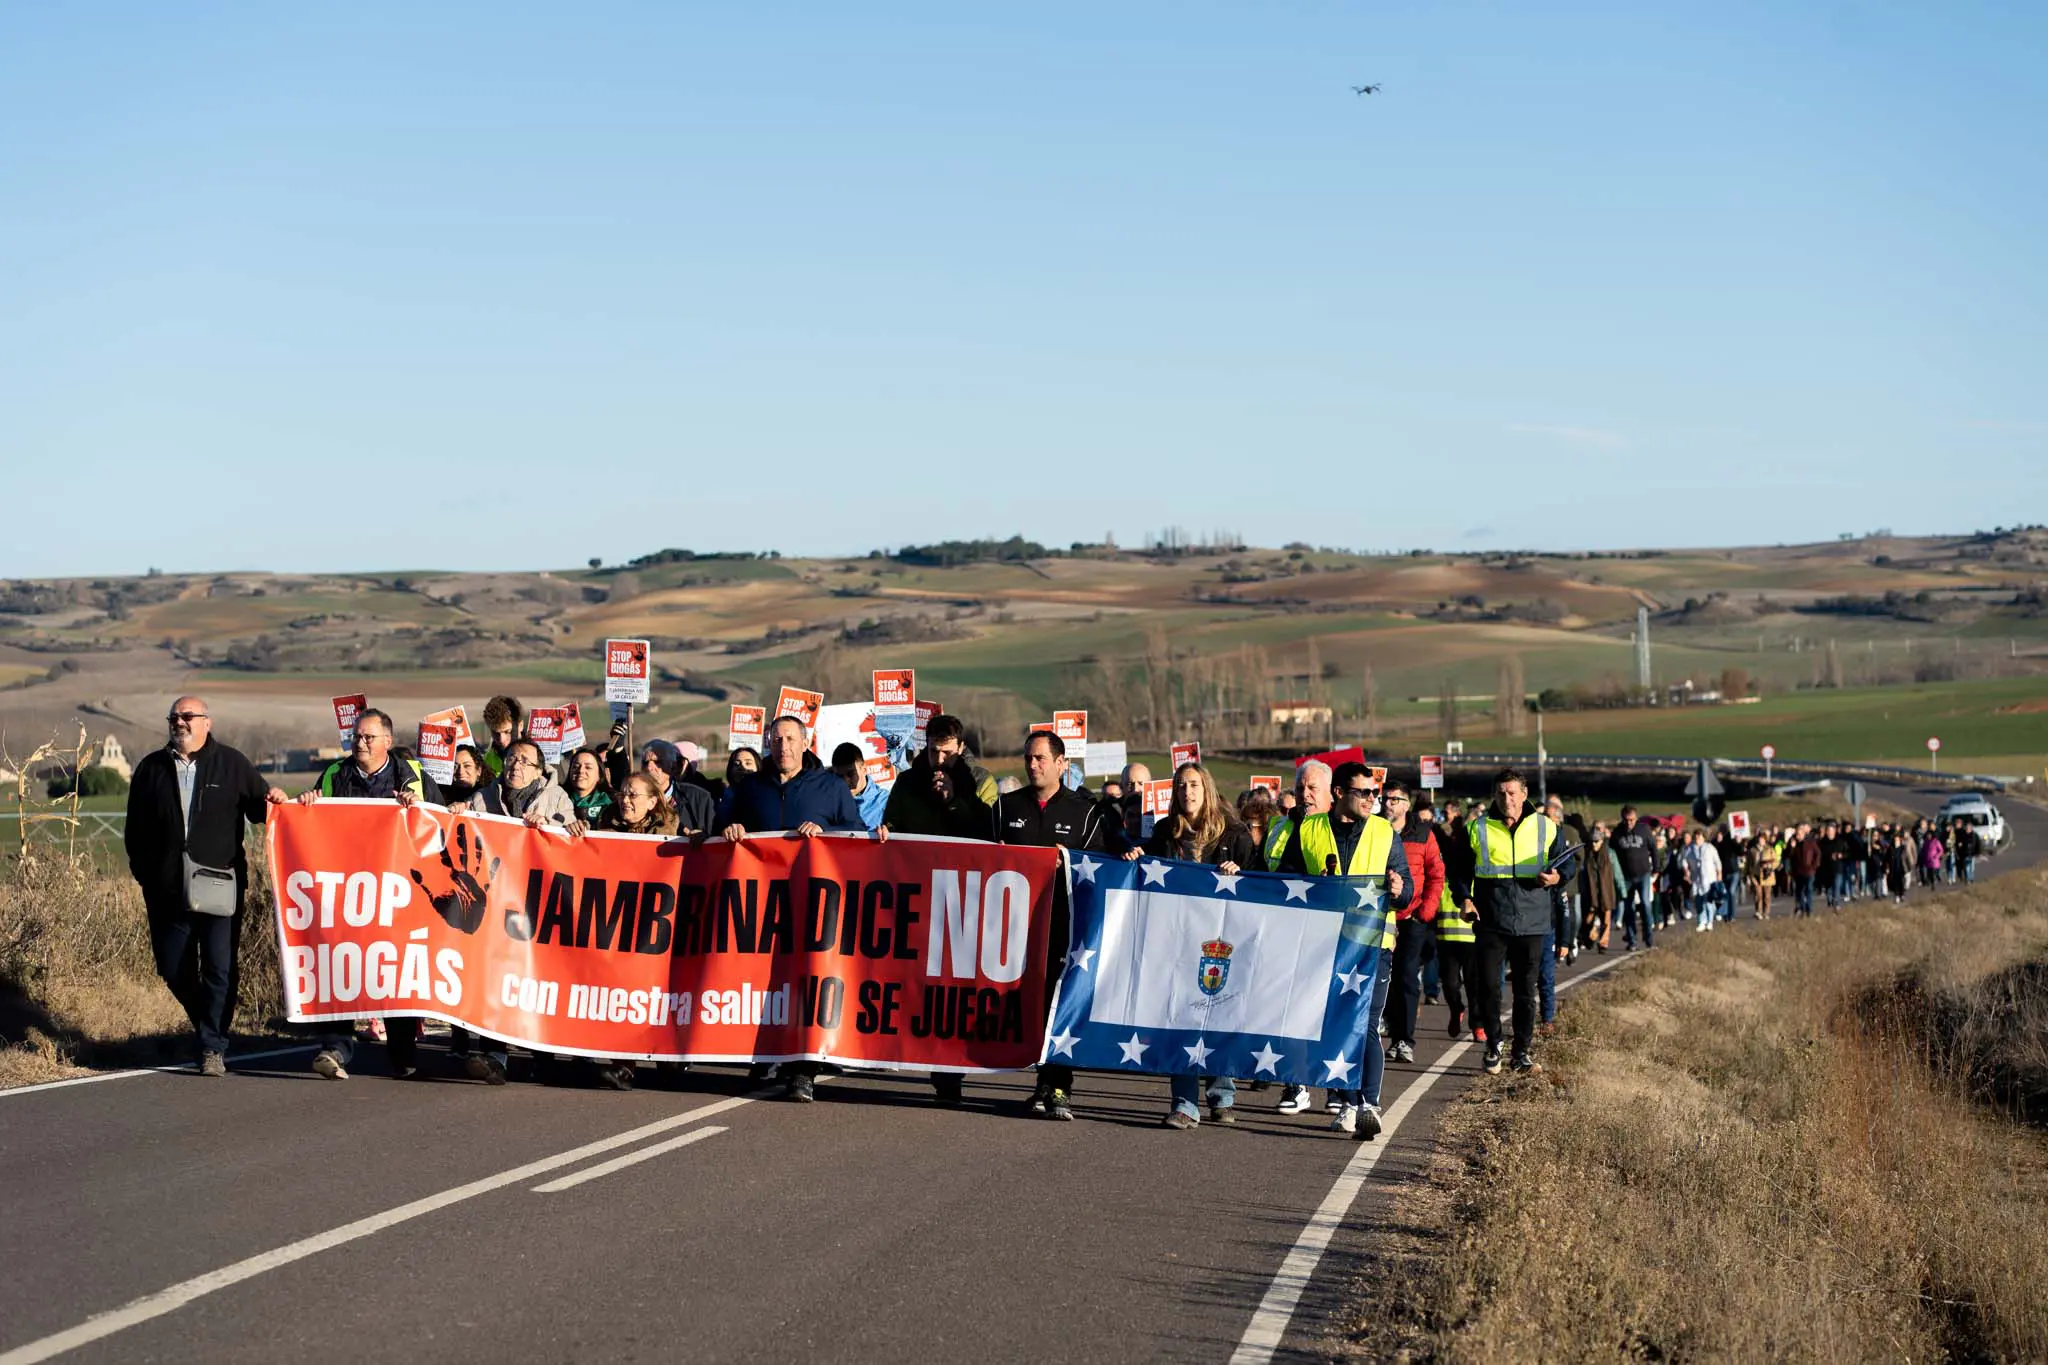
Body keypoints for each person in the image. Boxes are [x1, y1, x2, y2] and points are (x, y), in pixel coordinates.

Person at [124, 696, 285, 1077]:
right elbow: (135, 830)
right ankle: (210, 1024)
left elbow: (261, 810)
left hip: (220, 884)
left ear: (206, 723)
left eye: (188, 716)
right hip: (166, 889)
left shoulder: (232, 764)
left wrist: (276, 799)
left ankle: (212, 1045)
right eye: (174, 717)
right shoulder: (151, 769)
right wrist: (145, 875)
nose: (179, 722)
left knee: (219, 968)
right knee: (172, 967)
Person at [723, 714, 881, 1102]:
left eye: (790, 739)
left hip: (813, 905)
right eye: (776, 740)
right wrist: (729, 831)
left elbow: (856, 833)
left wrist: (826, 835)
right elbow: (720, 826)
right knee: (761, 981)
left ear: (805, 741)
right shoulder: (751, 788)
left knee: (805, 985)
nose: (783, 747)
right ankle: (763, 1055)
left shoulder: (829, 786)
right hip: (762, 905)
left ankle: (802, 1070)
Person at [297, 709, 441, 1079]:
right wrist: (306, 805)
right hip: (346, 889)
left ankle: (403, 1052)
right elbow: (313, 825)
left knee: (395, 970)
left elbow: (441, 826)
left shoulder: (416, 777)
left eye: (368, 737)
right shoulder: (334, 775)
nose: (360, 743)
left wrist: (419, 810)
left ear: (387, 742)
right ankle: (334, 1047)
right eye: (357, 737)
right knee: (338, 963)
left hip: (399, 893)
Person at [1276, 761, 1411, 1138]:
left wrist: (1401, 890)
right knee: (1336, 1024)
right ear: (1340, 794)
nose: (1372, 799)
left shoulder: (1385, 832)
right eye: (1364, 792)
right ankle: (1348, 1102)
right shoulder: (1309, 829)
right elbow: (1286, 880)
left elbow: (1408, 887)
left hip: (1373, 944)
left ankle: (1369, 1103)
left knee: (1366, 1023)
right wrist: (1308, 884)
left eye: (1375, 793)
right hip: (1325, 943)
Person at [993, 730, 1115, 1121]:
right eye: (1028, 757)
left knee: (1058, 1003)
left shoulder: (1084, 811)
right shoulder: (1004, 807)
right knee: (1027, 1005)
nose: (1032, 765)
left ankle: (1058, 1085)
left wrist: (1072, 862)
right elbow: (977, 856)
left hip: (1065, 926)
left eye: (1041, 758)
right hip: (1015, 927)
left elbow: (1100, 866)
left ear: (1061, 764)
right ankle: (1040, 1080)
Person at [1132, 763, 1259, 1129]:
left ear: (1207, 790)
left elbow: (1262, 881)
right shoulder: (1163, 833)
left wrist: (1242, 874)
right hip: (1178, 937)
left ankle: (1222, 1092)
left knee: (1219, 1012)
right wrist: (1136, 859)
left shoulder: (1235, 835)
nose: (1187, 792)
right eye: (1181, 785)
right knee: (1181, 1016)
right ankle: (1184, 1104)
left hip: (1222, 941)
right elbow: (1149, 872)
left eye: (1194, 785)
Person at [1450, 768, 1567, 1077]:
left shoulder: (1547, 827)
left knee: (1526, 991)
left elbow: (1568, 865)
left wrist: (1556, 877)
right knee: (1488, 988)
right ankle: (1494, 1043)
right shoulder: (1477, 829)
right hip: (1491, 921)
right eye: (1501, 793)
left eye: (1512, 793)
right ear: (1494, 795)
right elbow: (1459, 872)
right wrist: (1464, 898)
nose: (1507, 799)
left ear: (1524, 794)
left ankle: (1522, 1051)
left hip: (1533, 921)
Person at [1266, 758, 1334, 1117]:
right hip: (1285, 931)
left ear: (1329, 794)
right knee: (1289, 1011)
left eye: (1313, 788)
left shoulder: (1335, 827)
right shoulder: (1279, 827)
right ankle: (1295, 1083)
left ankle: (1334, 1085)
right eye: (1301, 787)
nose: (1305, 795)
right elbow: (1263, 871)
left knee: (1327, 1011)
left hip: (1327, 934)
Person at [1381, 783, 1444, 1066]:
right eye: (1386, 799)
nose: (1389, 804)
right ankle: (1392, 1029)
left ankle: (1405, 1039)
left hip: (1412, 916)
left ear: (1406, 805)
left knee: (1406, 975)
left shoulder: (1423, 833)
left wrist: (1426, 911)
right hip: (1380, 916)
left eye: (1396, 799)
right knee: (1385, 978)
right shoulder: (1373, 830)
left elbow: (1436, 874)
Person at [881, 716, 994, 839]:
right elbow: (891, 823)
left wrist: (953, 802)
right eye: (934, 751)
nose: (940, 760)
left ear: (960, 748)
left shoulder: (982, 782)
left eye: (947, 753)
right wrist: (886, 832)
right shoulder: (906, 782)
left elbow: (987, 832)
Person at [629, 738, 717, 835]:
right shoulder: (630, 799)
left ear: (672, 767)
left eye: (657, 762)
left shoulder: (699, 799)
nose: (649, 767)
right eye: (645, 762)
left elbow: (715, 839)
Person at [1611, 806, 1658, 950]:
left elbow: (1653, 849)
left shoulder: (1644, 829)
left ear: (1636, 818)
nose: (1629, 823)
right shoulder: (1618, 832)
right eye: (1626, 820)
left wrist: (1656, 869)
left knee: (1645, 904)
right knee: (1628, 908)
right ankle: (1632, 940)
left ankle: (1648, 937)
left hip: (1643, 873)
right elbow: (1611, 853)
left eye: (1631, 820)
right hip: (1625, 877)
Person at [831, 742, 891, 831]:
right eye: (840, 776)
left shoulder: (887, 802)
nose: (845, 781)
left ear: (864, 769)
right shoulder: (827, 803)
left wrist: (889, 831)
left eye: (851, 774)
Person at [1579, 823, 1620, 951]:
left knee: (1606, 920)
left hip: (1606, 892)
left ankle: (1603, 943)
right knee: (1588, 920)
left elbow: (1617, 873)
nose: (1594, 844)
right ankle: (1590, 937)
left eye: (1596, 841)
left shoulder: (1610, 854)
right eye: (1592, 841)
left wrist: (1622, 890)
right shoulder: (1587, 856)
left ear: (1602, 841)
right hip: (1591, 894)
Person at [1684, 829, 1723, 932]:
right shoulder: (1690, 849)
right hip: (1696, 879)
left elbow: (1717, 861)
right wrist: (1686, 871)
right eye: (1696, 836)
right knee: (1698, 901)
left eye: (1700, 836)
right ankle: (1701, 921)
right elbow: (1685, 861)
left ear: (1703, 837)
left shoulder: (1709, 848)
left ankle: (1710, 921)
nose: (1698, 838)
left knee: (1708, 901)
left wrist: (1719, 874)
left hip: (1709, 878)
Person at [563, 747, 614, 825]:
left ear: (599, 775)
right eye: (575, 766)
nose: (580, 771)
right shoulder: (557, 799)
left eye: (588, 767)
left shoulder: (612, 803)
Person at [482, 694, 524, 777]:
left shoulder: (538, 757)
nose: (501, 740)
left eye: (507, 732)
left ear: (521, 726)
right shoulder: (486, 761)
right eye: (495, 733)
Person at [1788, 822, 1822, 917]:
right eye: (1796, 833)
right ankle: (1801, 908)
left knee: (1809, 889)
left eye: (1799, 834)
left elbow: (1818, 853)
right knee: (1799, 891)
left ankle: (1809, 909)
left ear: (1803, 833)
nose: (1797, 836)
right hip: (1798, 871)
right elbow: (1788, 855)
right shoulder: (1793, 842)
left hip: (1809, 870)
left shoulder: (1810, 842)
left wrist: (1815, 865)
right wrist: (1792, 847)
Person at [1749, 831, 1781, 920]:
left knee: (1766, 896)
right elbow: (1749, 864)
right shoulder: (1752, 850)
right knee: (1758, 894)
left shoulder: (1770, 849)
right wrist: (1746, 874)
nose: (1760, 840)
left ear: (1765, 840)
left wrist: (1770, 866)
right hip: (1756, 875)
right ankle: (1758, 911)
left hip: (1767, 875)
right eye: (1759, 838)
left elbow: (1776, 861)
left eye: (1762, 839)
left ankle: (1766, 912)